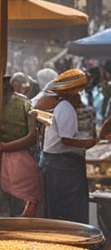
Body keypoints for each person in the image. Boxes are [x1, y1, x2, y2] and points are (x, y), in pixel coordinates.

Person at [41, 69, 96, 223]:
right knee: (69, 206)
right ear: (73, 92)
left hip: (57, 163)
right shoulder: (65, 107)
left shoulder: (61, 105)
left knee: (59, 204)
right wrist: (87, 143)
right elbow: (66, 140)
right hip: (63, 163)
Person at [0, 75, 42, 217]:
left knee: (17, 202)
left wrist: (5, 147)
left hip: (18, 158)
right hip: (4, 156)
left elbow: (32, 137)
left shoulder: (24, 103)